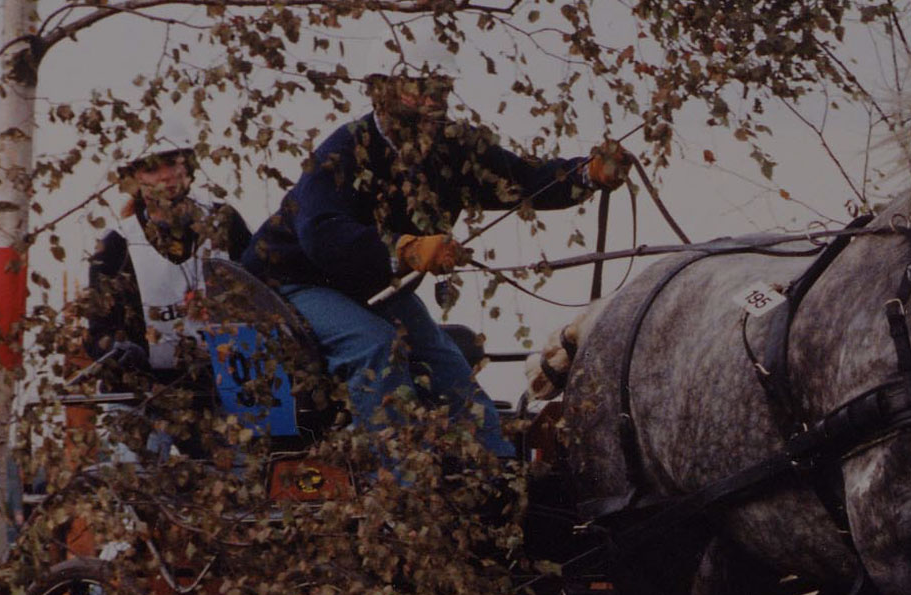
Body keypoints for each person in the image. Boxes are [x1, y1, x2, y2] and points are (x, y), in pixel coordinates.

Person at [242, 42, 630, 457]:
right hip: (291, 283)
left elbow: (521, 177)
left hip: (364, 286)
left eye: (441, 88)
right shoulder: (342, 151)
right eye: (420, 87)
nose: (433, 99)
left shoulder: (453, 150)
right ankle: (399, 489)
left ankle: (499, 474)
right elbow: (321, 234)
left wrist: (584, 175)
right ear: (382, 92)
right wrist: (406, 249)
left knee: (443, 360)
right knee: (376, 348)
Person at [82, 118, 253, 458]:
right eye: (152, 169)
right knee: (132, 479)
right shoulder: (116, 246)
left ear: (188, 167)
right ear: (136, 179)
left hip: (219, 387)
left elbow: (260, 296)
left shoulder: (224, 224)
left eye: (173, 163)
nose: (166, 177)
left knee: (253, 470)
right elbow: (99, 332)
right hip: (144, 392)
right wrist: (122, 351)